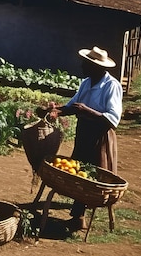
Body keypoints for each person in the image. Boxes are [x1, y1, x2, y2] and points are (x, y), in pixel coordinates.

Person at [50, 46, 123, 231]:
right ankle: (78, 215)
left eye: (86, 63)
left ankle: (79, 216)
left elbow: (112, 120)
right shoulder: (86, 83)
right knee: (80, 172)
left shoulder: (111, 86)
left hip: (100, 136)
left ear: (96, 67)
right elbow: (72, 106)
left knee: (94, 175)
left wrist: (86, 110)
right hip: (84, 135)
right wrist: (54, 111)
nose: (82, 66)